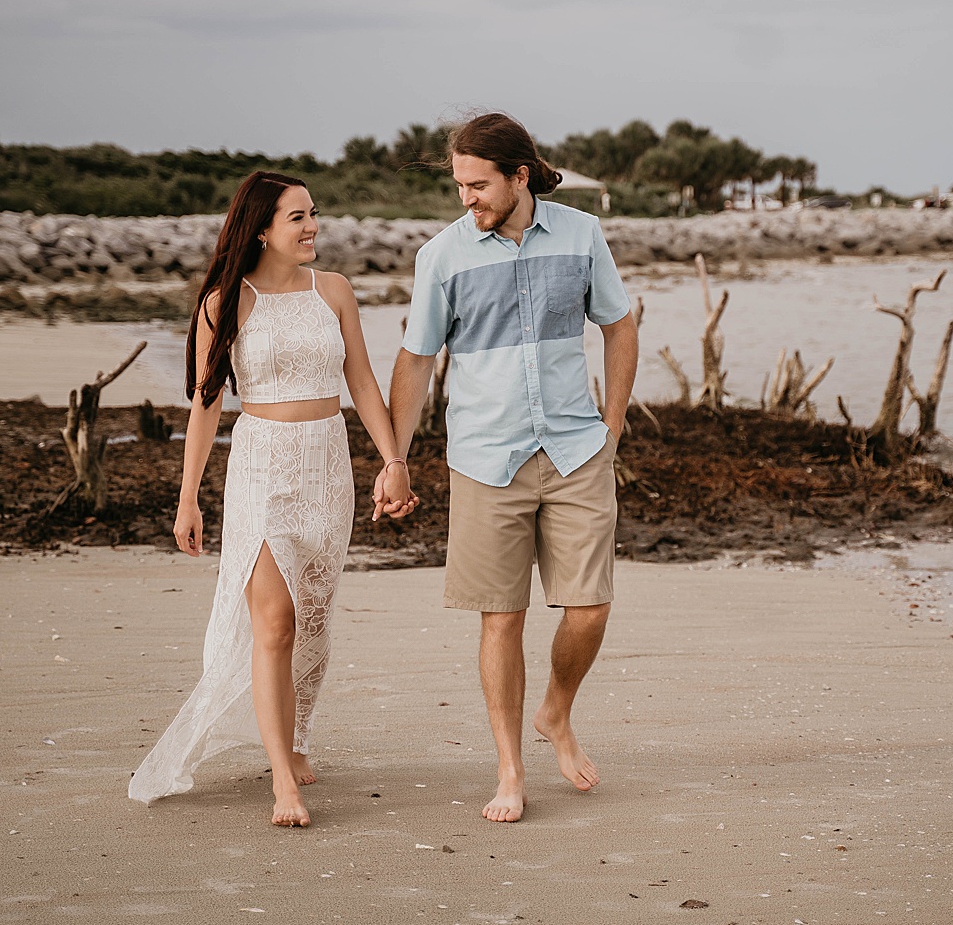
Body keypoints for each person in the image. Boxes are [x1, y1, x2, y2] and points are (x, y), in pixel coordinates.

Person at [129, 171, 411, 826]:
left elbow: (363, 382)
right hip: (262, 469)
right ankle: (284, 778)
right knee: (276, 621)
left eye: (314, 214)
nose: (313, 226)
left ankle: (297, 734)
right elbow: (204, 404)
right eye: (297, 218)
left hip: (328, 465)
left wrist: (393, 460)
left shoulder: (334, 291)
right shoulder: (226, 302)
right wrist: (187, 498)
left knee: (313, 616)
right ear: (260, 228)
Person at [382, 112, 638, 823]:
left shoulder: (584, 235)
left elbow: (618, 323)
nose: (466, 197)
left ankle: (556, 710)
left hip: (576, 448)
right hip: (485, 458)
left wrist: (611, 424)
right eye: (459, 184)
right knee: (502, 619)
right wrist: (394, 460)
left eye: (478, 183)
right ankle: (509, 767)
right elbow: (416, 358)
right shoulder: (443, 256)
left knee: (590, 607)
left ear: (519, 175)